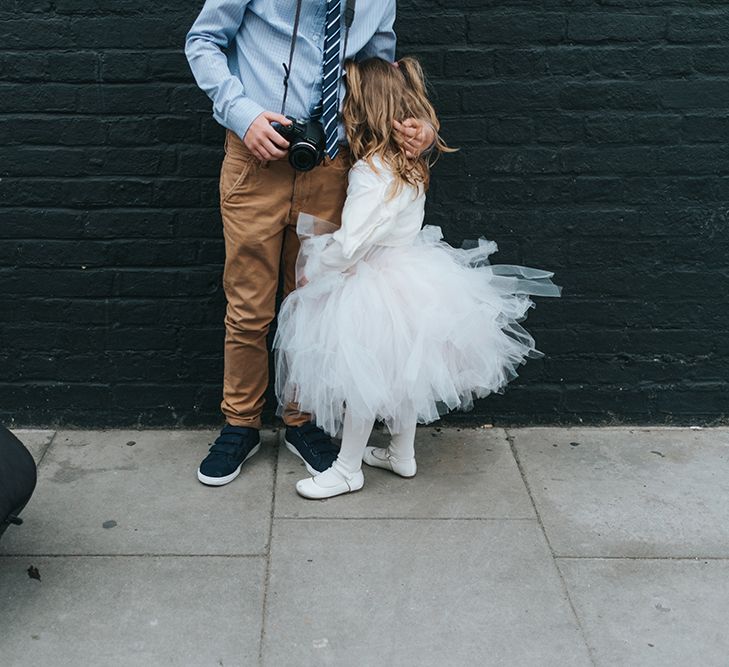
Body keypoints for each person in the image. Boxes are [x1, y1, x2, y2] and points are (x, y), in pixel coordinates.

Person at [273, 57, 563, 499]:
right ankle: (402, 453)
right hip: (414, 277)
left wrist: (317, 269)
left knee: (364, 381)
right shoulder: (409, 165)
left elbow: (354, 242)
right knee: (404, 372)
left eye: (347, 99)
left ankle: (348, 468)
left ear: (362, 108)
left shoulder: (370, 171)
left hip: (374, 285)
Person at [184, 1, 436, 486]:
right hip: (254, 161)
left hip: (334, 166)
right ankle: (240, 424)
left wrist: (421, 126)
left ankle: (301, 421)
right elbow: (202, 42)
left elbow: (382, 74)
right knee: (249, 306)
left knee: (316, 302)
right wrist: (244, 114)